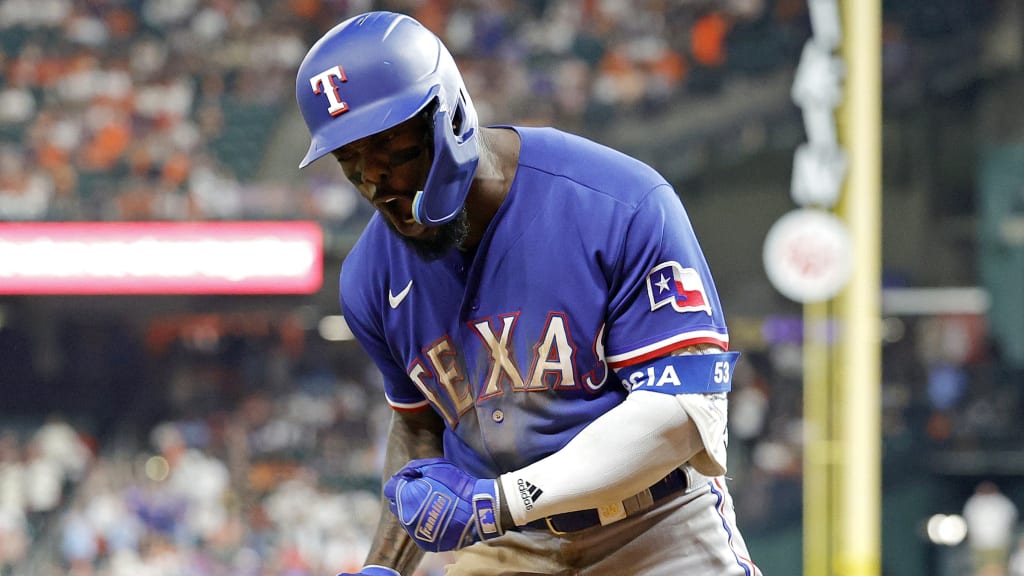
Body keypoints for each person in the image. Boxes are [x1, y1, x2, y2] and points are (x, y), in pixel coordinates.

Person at [295, 11, 760, 576]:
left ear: (452, 117)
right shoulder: (371, 275)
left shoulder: (618, 202)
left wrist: (500, 502)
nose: (376, 185)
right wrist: (384, 567)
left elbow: (682, 414)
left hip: (654, 527)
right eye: (352, 164)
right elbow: (420, 424)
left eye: (392, 152)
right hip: (504, 545)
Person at [962, 480, 1019, 576]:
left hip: (999, 541)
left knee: (998, 566)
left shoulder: (1002, 502)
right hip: (979, 542)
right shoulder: (974, 502)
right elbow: (968, 520)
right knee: (981, 567)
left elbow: (1011, 518)